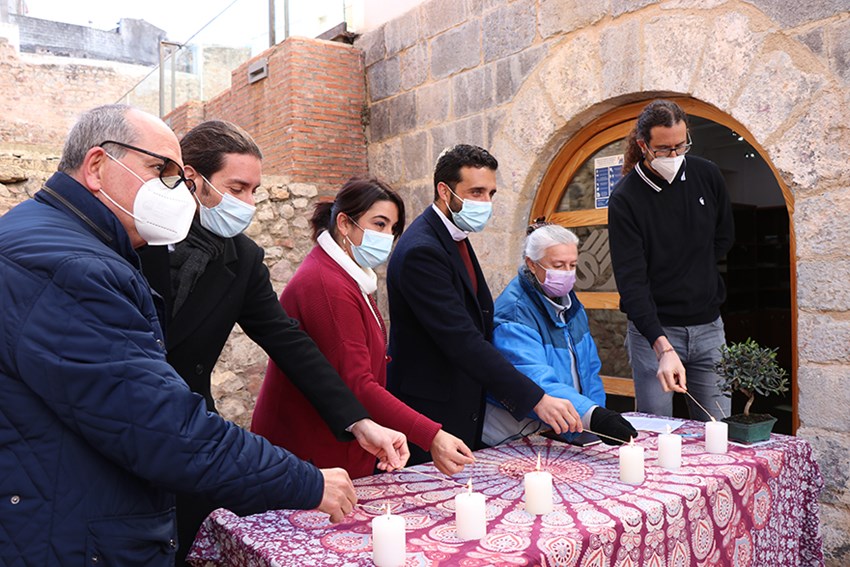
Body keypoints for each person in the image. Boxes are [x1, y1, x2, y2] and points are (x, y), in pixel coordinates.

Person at [0, 104, 359, 565]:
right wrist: (304, 481)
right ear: (97, 167)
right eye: (160, 171)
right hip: (67, 520)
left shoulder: (60, 236)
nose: (171, 189)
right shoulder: (75, 266)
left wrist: (356, 418)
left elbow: (283, 337)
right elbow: (157, 424)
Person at [136, 120, 409, 565]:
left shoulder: (242, 258)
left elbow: (287, 340)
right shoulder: (137, 238)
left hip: (189, 430)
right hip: (128, 421)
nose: (248, 204)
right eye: (237, 188)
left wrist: (359, 421)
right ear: (192, 178)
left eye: (254, 191)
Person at [253, 178, 476, 478]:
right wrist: (431, 435)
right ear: (344, 223)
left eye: (393, 228)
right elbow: (357, 383)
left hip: (341, 445)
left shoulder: (350, 275)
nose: (387, 236)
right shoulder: (327, 284)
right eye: (379, 224)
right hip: (310, 452)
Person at [386, 144, 584, 465]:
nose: (486, 203)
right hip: (432, 410)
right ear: (444, 191)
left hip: (462, 402)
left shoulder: (454, 236)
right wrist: (536, 398)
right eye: (476, 192)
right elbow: (461, 339)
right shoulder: (422, 250)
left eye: (491, 193)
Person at [608, 99, 734, 421]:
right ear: (643, 145)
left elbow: (724, 237)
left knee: (718, 425)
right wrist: (661, 345)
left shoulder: (707, 175)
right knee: (656, 428)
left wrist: (693, 269)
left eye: (681, 145)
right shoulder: (625, 198)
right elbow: (632, 282)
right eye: (664, 149)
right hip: (654, 332)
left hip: (709, 327)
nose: (674, 155)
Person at [483, 221, 638, 446]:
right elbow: (532, 377)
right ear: (532, 264)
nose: (567, 273)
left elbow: (589, 370)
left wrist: (598, 416)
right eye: (558, 265)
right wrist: (591, 415)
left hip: (565, 427)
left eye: (572, 265)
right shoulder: (515, 311)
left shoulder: (571, 305)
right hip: (519, 433)